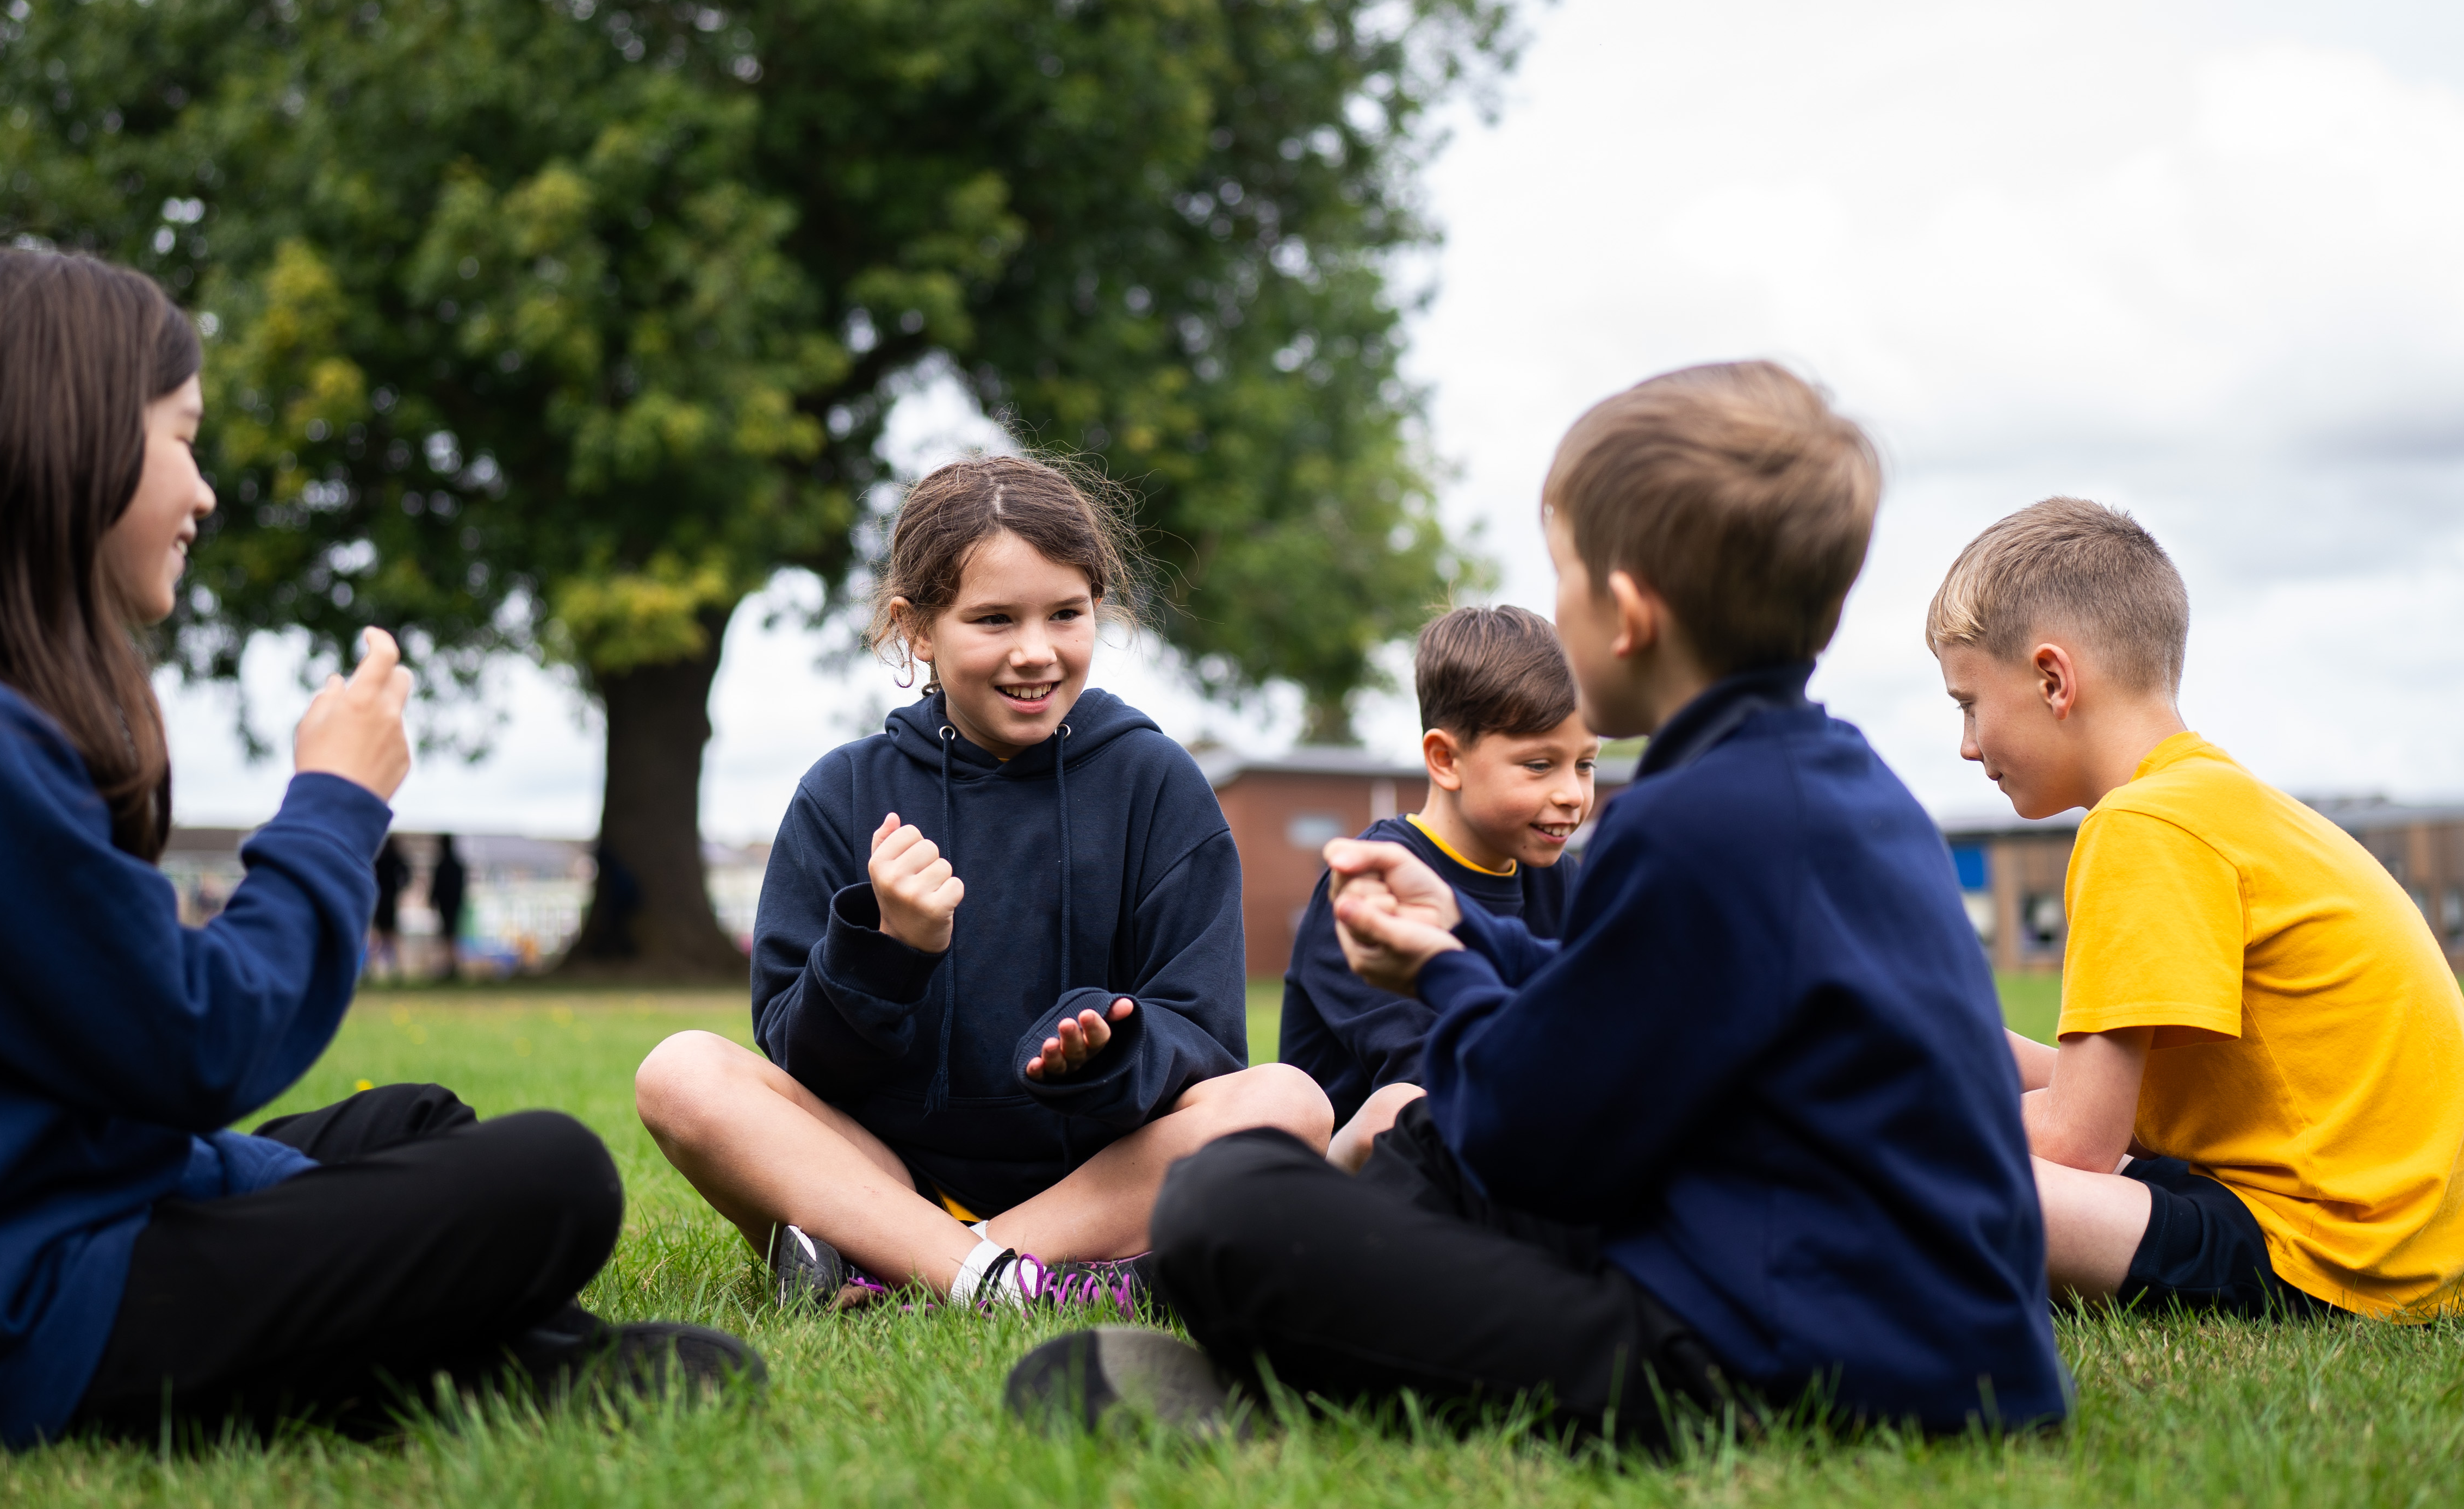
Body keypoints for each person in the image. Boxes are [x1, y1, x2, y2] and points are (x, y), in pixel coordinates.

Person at [0, 248, 756, 1463]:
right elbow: (195, 1042)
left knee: (412, 1121)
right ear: (58, 447)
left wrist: (293, 1197)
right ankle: (490, 1361)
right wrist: (333, 802)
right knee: (551, 1176)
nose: (203, 493)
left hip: (9, 1236)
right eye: (183, 439)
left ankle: (464, 1354)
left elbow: (87, 1107)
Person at [1010, 364, 2065, 1447]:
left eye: (1564, 576)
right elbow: (1616, 1002)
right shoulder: (1843, 788)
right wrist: (1464, 930)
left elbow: (1524, 1134)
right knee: (1418, 1149)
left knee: (1224, 1206)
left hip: (1793, 1364)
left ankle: (1299, 1388)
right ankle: (1334, 1346)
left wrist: (1440, 970)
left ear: (1628, 615)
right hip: (1934, 1337)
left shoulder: (1690, 821)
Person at [632, 455, 1331, 1315]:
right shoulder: (841, 793)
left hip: (1095, 1186)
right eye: (993, 619)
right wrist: (888, 951)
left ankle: (931, 1273)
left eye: (1065, 613)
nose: (1035, 651)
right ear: (915, 629)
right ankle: (1018, 1281)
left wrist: (1112, 1051)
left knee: (1289, 1102)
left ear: (1098, 608)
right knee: (680, 1072)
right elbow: (797, 1064)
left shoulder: (1156, 784)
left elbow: (1208, 1040)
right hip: (883, 1182)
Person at [1930, 498, 2464, 1322]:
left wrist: (1898, 1115)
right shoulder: (2212, 803)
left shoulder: (2142, 826)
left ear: (2053, 680)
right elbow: (2117, 1105)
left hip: (2324, 1253)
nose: (1967, 744)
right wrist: (1949, 1049)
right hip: (2398, 1243)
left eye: (1967, 703)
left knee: (1909, 1167)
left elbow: (2074, 1141)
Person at [1280, 605, 1595, 1172]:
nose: (1572, 793)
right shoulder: (1371, 887)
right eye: (1539, 764)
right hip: (1356, 1180)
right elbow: (1435, 1077)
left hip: (1510, 1147)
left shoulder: (1565, 882)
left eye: (1586, 764)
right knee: (1399, 1107)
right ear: (1445, 759)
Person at [428, 834, 471, 979]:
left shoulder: (442, 865)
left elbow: (438, 886)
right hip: (453, 905)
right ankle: (452, 965)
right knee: (451, 935)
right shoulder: (457, 866)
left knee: (448, 936)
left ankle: (451, 965)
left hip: (446, 905)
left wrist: (434, 900)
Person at [369, 836, 412, 978]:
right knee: (391, 935)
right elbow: (406, 875)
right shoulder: (395, 859)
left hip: (380, 900)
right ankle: (395, 968)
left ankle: (376, 968)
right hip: (390, 900)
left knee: (380, 935)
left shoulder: (380, 860)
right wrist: (399, 888)